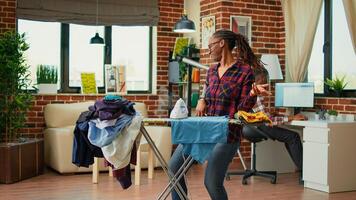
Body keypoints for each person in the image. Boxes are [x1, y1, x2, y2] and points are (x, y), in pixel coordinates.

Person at [168, 29, 270, 200]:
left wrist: (253, 94)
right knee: (174, 168)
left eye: (210, 46)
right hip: (205, 128)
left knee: (212, 182)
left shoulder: (244, 71)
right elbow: (207, 92)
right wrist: (202, 99)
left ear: (221, 43)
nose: (208, 51)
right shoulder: (211, 71)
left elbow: (242, 110)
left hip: (227, 133)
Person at [252, 66, 306, 184]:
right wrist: (292, 117)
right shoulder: (256, 96)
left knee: (289, 138)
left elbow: (265, 116)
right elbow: (269, 121)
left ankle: (300, 167)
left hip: (254, 125)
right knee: (294, 137)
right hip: (262, 126)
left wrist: (272, 114)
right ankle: (305, 173)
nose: (266, 83)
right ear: (259, 80)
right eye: (265, 80)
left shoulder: (250, 92)